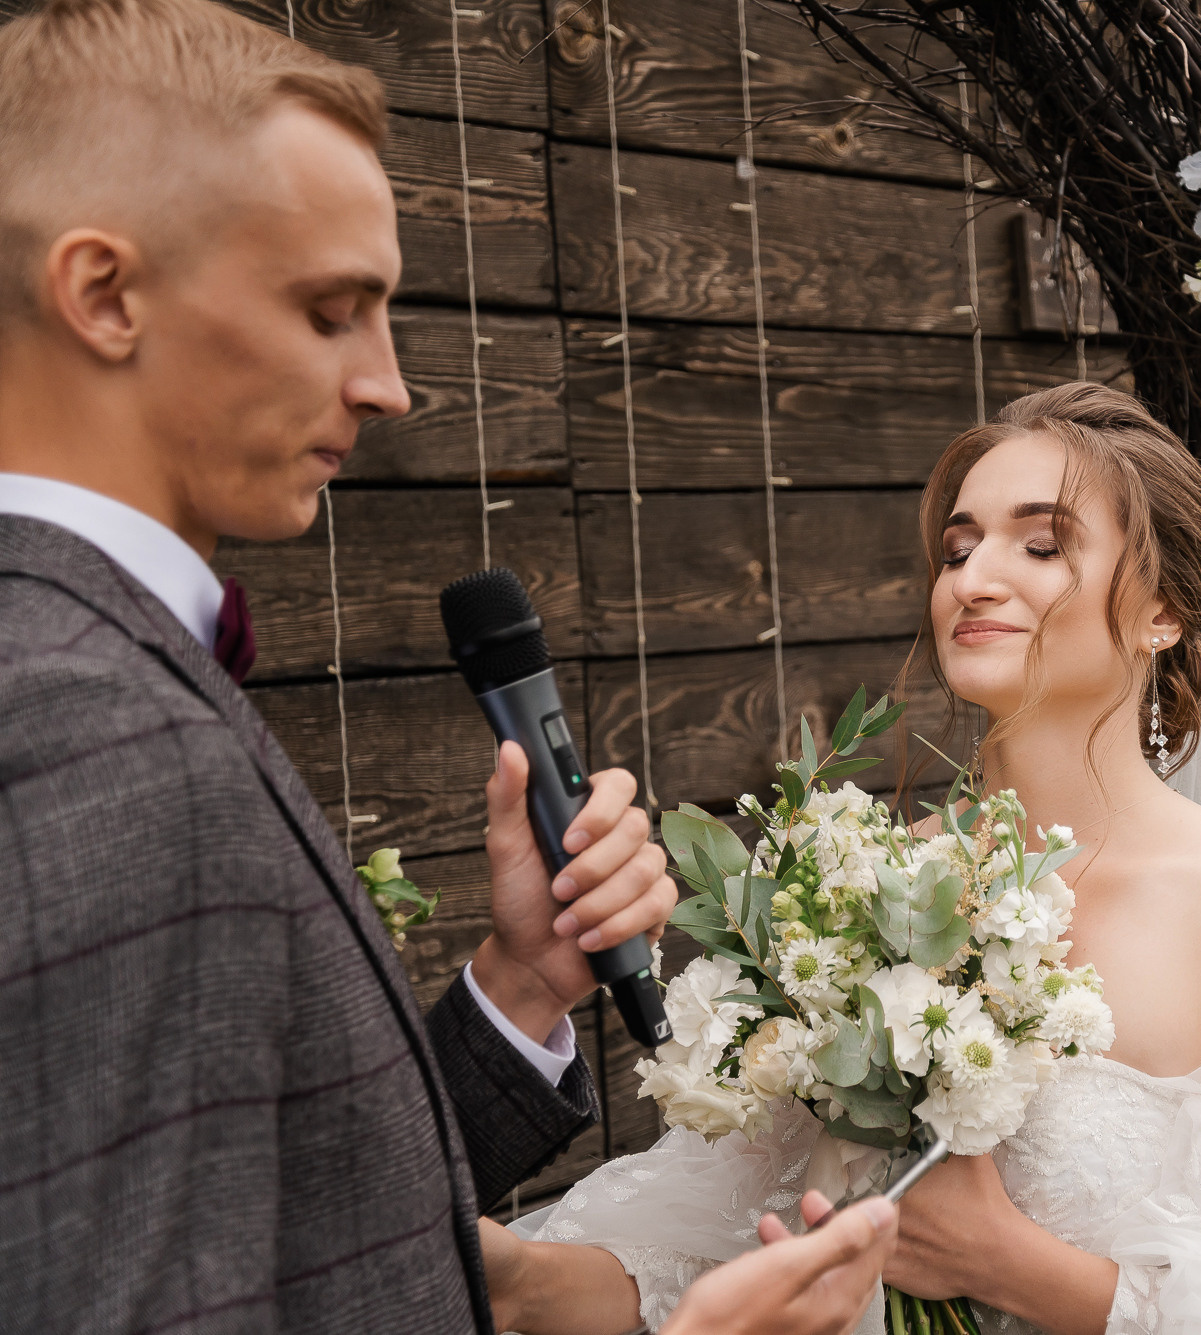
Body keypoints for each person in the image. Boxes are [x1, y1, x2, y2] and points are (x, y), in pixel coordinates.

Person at [0, 1, 895, 1331]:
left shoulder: (92, 666)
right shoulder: (86, 729)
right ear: (105, 292)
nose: (389, 384)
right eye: (330, 311)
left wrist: (526, 980)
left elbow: (286, 1224)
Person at [488, 383, 1201, 1334]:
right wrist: (515, 1280)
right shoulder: (860, 891)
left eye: (1041, 544)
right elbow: (719, 1251)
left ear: (1165, 613)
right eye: (958, 546)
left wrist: (1012, 1266)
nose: (974, 577)